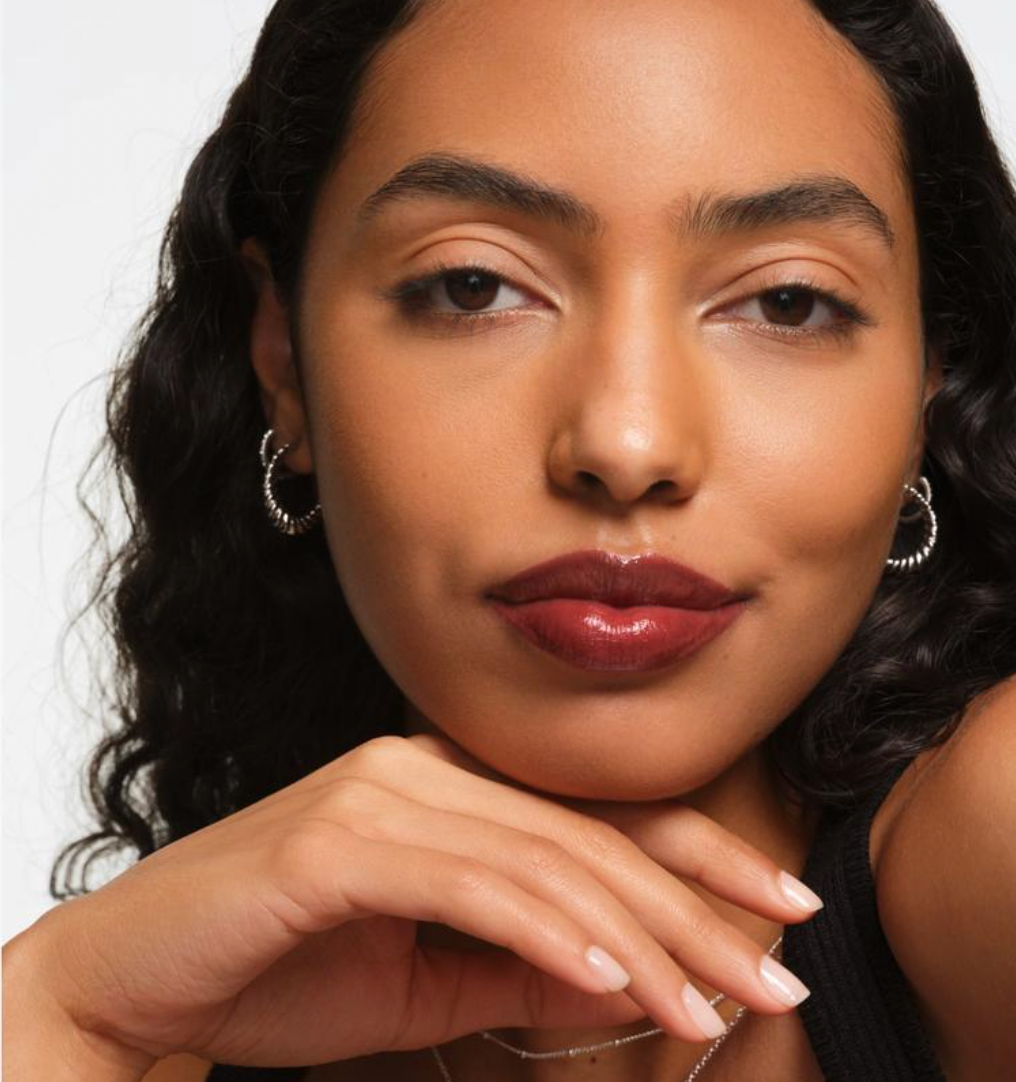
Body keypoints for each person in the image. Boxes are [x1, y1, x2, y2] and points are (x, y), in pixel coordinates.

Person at [4, 0, 1015, 1078]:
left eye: (787, 302)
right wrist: (51, 1008)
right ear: (284, 361)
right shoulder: (154, 1040)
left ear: (927, 383)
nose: (625, 443)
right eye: (473, 286)